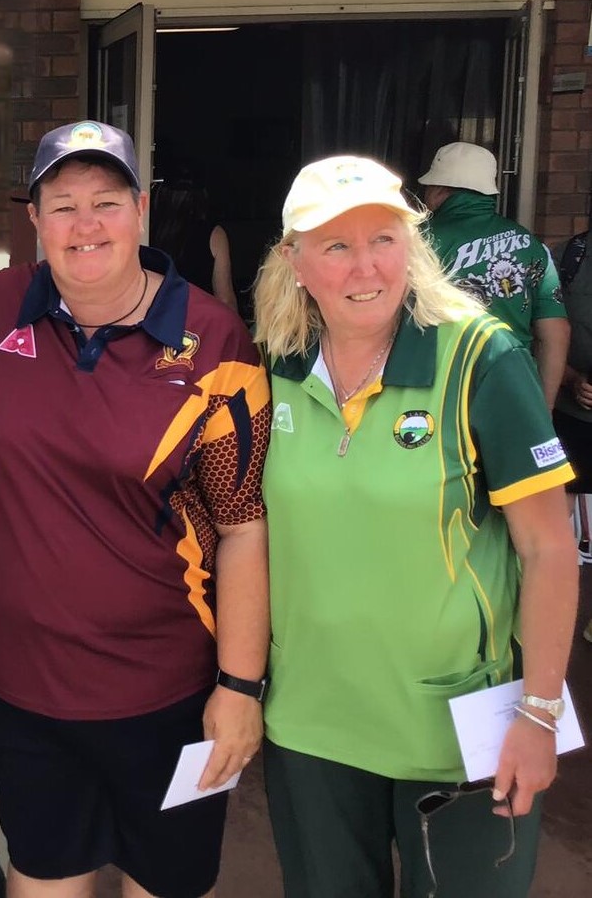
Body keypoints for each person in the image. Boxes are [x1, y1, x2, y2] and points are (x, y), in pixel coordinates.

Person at [0, 120, 270, 898]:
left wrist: (239, 687)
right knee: (44, 876)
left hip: (169, 696)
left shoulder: (218, 341)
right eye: (61, 205)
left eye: (104, 201)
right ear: (32, 219)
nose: (84, 225)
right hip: (18, 690)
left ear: (139, 211)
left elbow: (240, 527)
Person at [253, 155, 578, 898]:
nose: (363, 265)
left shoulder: (478, 355)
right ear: (292, 260)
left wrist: (539, 709)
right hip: (312, 722)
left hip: (460, 728)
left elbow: (547, 544)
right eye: (334, 245)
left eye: (384, 237)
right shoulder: (274, 359)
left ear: (413, 242)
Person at [419, 141, 569, 406]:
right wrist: (541, 410)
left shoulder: (414, 243)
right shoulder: (533, 246)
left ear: (438, 189)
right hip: (512, 388)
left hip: (437, 392)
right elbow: (555, 331)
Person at [549, 228, 592, 640]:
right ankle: (549, 618)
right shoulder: (568, 257)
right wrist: (572, 379)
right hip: (571, 414)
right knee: (553, 526)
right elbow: (543, 333)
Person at [149, 168, 238, 311]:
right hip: (198, 325)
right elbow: (225, 299)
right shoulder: (214, 235)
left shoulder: (146, 230)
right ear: (202, 196)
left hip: (153, 320)